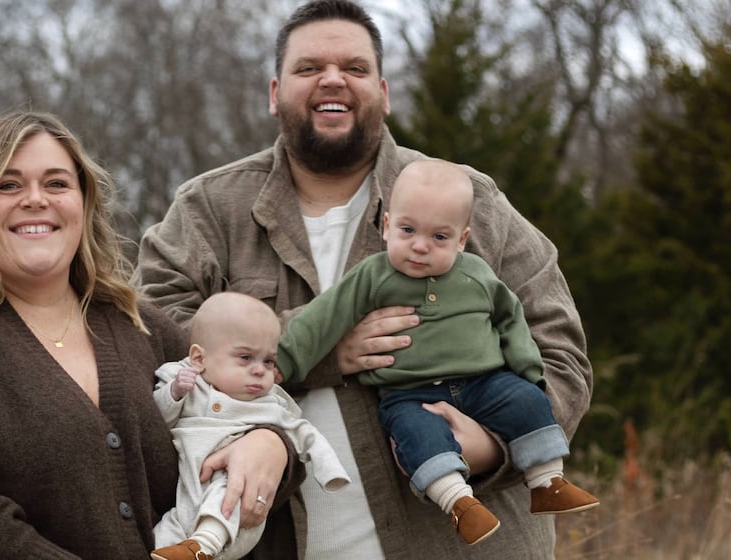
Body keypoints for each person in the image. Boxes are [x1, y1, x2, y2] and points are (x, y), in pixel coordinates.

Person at [135, 0, 593, 558]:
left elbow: (559, 350)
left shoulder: (468, 199)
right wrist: (324, 350)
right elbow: (149, 339)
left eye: (354, 68)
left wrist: (495, 448)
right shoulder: (208, 209)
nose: (333, 79)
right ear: (275, 93)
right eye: (309, 69)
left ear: (384, 92)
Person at [0, 110, 299, 559]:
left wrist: (272, 444)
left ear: (84, 205)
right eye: (8, 185)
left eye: (56, 184)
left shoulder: (141, 327)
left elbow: (240, 422)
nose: (35, 200)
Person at [275, 160, 598, 546]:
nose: (420, 246)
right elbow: (321, 321)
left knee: (528, 402)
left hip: (485, 382)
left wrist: (525, 369)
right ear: (387, 226)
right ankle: (460, 503)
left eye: (439, 238)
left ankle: (548, 481)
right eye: (408, 231)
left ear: (461, 241)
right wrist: (284, 362)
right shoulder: (372, 276)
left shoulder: (476, 274)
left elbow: (510, 317)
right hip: (410, 394)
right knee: (416, 436)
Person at [150, 292, 350, 560]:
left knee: (228, 490)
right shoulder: (182, 378)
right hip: (186, 490)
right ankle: (186, 549)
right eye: (245, 357)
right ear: (199, 358)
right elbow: (155, 421)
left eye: (268, 361)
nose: (260, 370)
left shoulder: (271, 402)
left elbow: (305, 434)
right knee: (162, 538)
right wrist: (174, 393)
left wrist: (330, 472)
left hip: (234, 500)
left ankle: (204, 546)